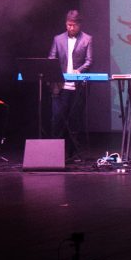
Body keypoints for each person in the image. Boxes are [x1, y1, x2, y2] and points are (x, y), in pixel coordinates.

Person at [49, 10, 93, 157]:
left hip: (77, 87)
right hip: (60, 87)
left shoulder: (87, 39)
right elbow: (51, 58)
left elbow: (89, 61)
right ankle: (55, 153)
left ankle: (73, 154)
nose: (71, 28)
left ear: (79, 25)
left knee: (75, 121)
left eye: (74, 25)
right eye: (68, 25)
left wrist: (79, 71)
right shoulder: (58, 39)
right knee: (57, 120)